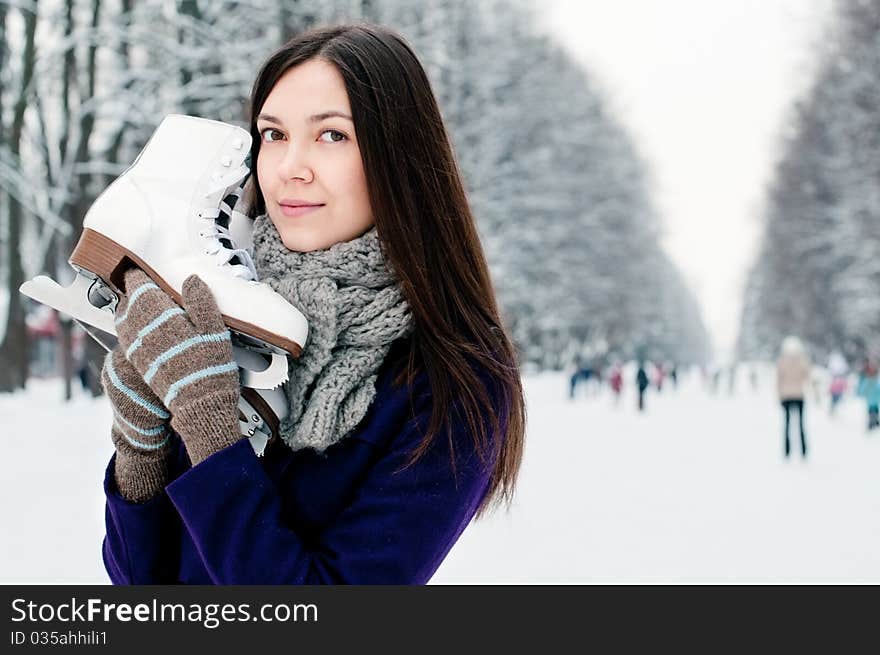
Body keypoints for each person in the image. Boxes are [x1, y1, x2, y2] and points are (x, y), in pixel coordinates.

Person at [99, 24, 525, 585]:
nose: (289, 166)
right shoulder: (221, 316)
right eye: (273, 134)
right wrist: (141, 447)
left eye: (331, 136)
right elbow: (141, 589)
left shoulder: (457, 381)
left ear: (399, 156)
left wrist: (211, 429)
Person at [776, 335, 810, 459]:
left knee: (787, 424)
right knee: (800, 424)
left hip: (786, 396)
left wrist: (779, 396)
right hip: (799, 396)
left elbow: (779, 381)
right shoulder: (802, 361)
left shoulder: (782, 361)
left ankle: (787, 451)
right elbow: (807, 377)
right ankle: (804, 451)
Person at [857, 358, 880, 431]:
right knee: (872, 411)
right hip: (873, 399)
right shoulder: (871, 381)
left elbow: (863, 389)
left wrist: (861, 393)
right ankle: (872, 422)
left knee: (874, 411)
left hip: (872, 399)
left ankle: (874, 422)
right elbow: (864, 389)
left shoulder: (874, 381)